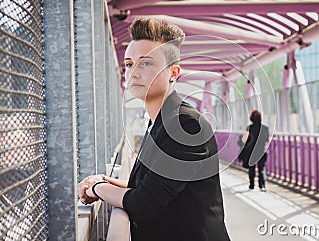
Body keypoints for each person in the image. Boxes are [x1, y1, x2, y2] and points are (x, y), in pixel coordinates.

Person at [78, 17, 230, 241]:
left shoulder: (187, 126)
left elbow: (145, 203)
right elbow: (147, 186)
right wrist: (104, 180)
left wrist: (97, 189)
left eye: (146, 63)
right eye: (129, 64)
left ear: (173, 73)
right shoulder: (160, 120)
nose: (134, 73)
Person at [240, 110, 269, 191]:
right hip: (261, 151)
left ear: (251, 118)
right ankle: (262, 185)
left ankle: (251, 185)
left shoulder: (249, 128)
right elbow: (267, 141)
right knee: (261, 168)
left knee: (251, 168)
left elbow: (244, 140)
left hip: (251, 151)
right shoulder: (265, 128)